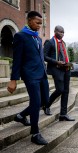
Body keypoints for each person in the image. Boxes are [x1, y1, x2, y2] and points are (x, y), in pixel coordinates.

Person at [7, 11, 49, 145]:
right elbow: (17, 59)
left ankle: (20, 116)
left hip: (42, 74)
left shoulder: (37, 38)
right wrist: (13, 79)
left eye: (41, 24)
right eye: (37, 23)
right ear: (29, 20)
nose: (39, 26)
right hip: (30, 75)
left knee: (44, 101)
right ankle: (35, 133)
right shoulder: (20, 36)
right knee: (36, 103)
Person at [44, 25, 75, 121]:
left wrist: (68, 63)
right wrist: (56, 62)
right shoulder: (50, 42)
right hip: (56, 69)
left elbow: (64, 55)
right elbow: (44, 56)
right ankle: (47, 105)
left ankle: (63, 114)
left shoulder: (63, 43)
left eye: (63, 32)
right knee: (60, 90)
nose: (62, 34)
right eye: (60, 32)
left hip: (66, 69)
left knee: (66, 91)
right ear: (55, 31)